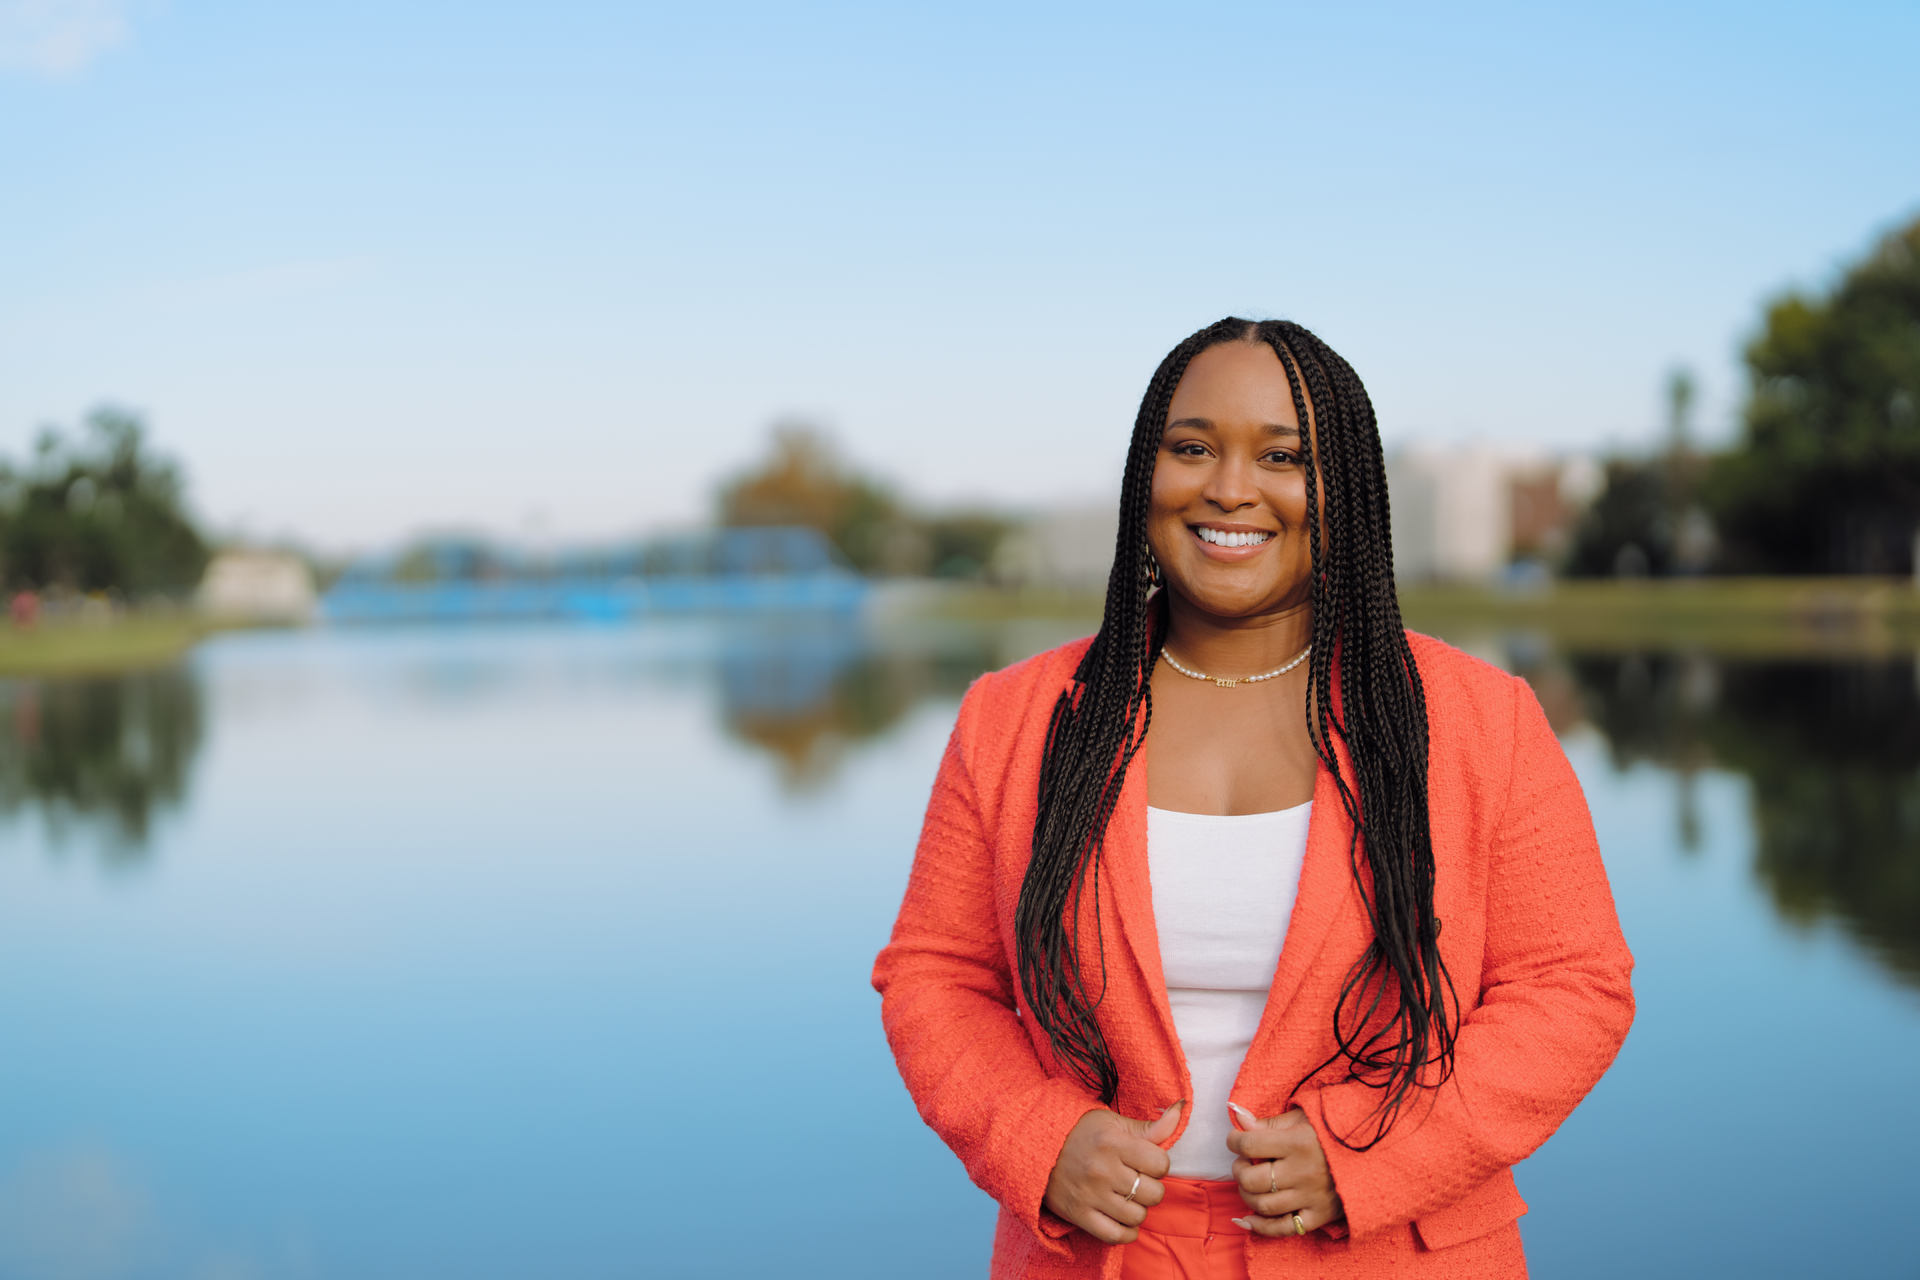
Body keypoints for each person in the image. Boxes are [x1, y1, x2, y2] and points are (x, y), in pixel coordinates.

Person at [872, 318, 1634, 1279]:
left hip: (1396, 1253)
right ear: (1145, 476)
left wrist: (1373, 1151)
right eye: (1192, 448)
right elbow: (936, 976)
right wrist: (1036, 1135)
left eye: (1283, 456)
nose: (1230, 487)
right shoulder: (1012, 718)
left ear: (1344, 491)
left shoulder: (1483, 719)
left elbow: (1575, 987)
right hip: (1098, 1258)